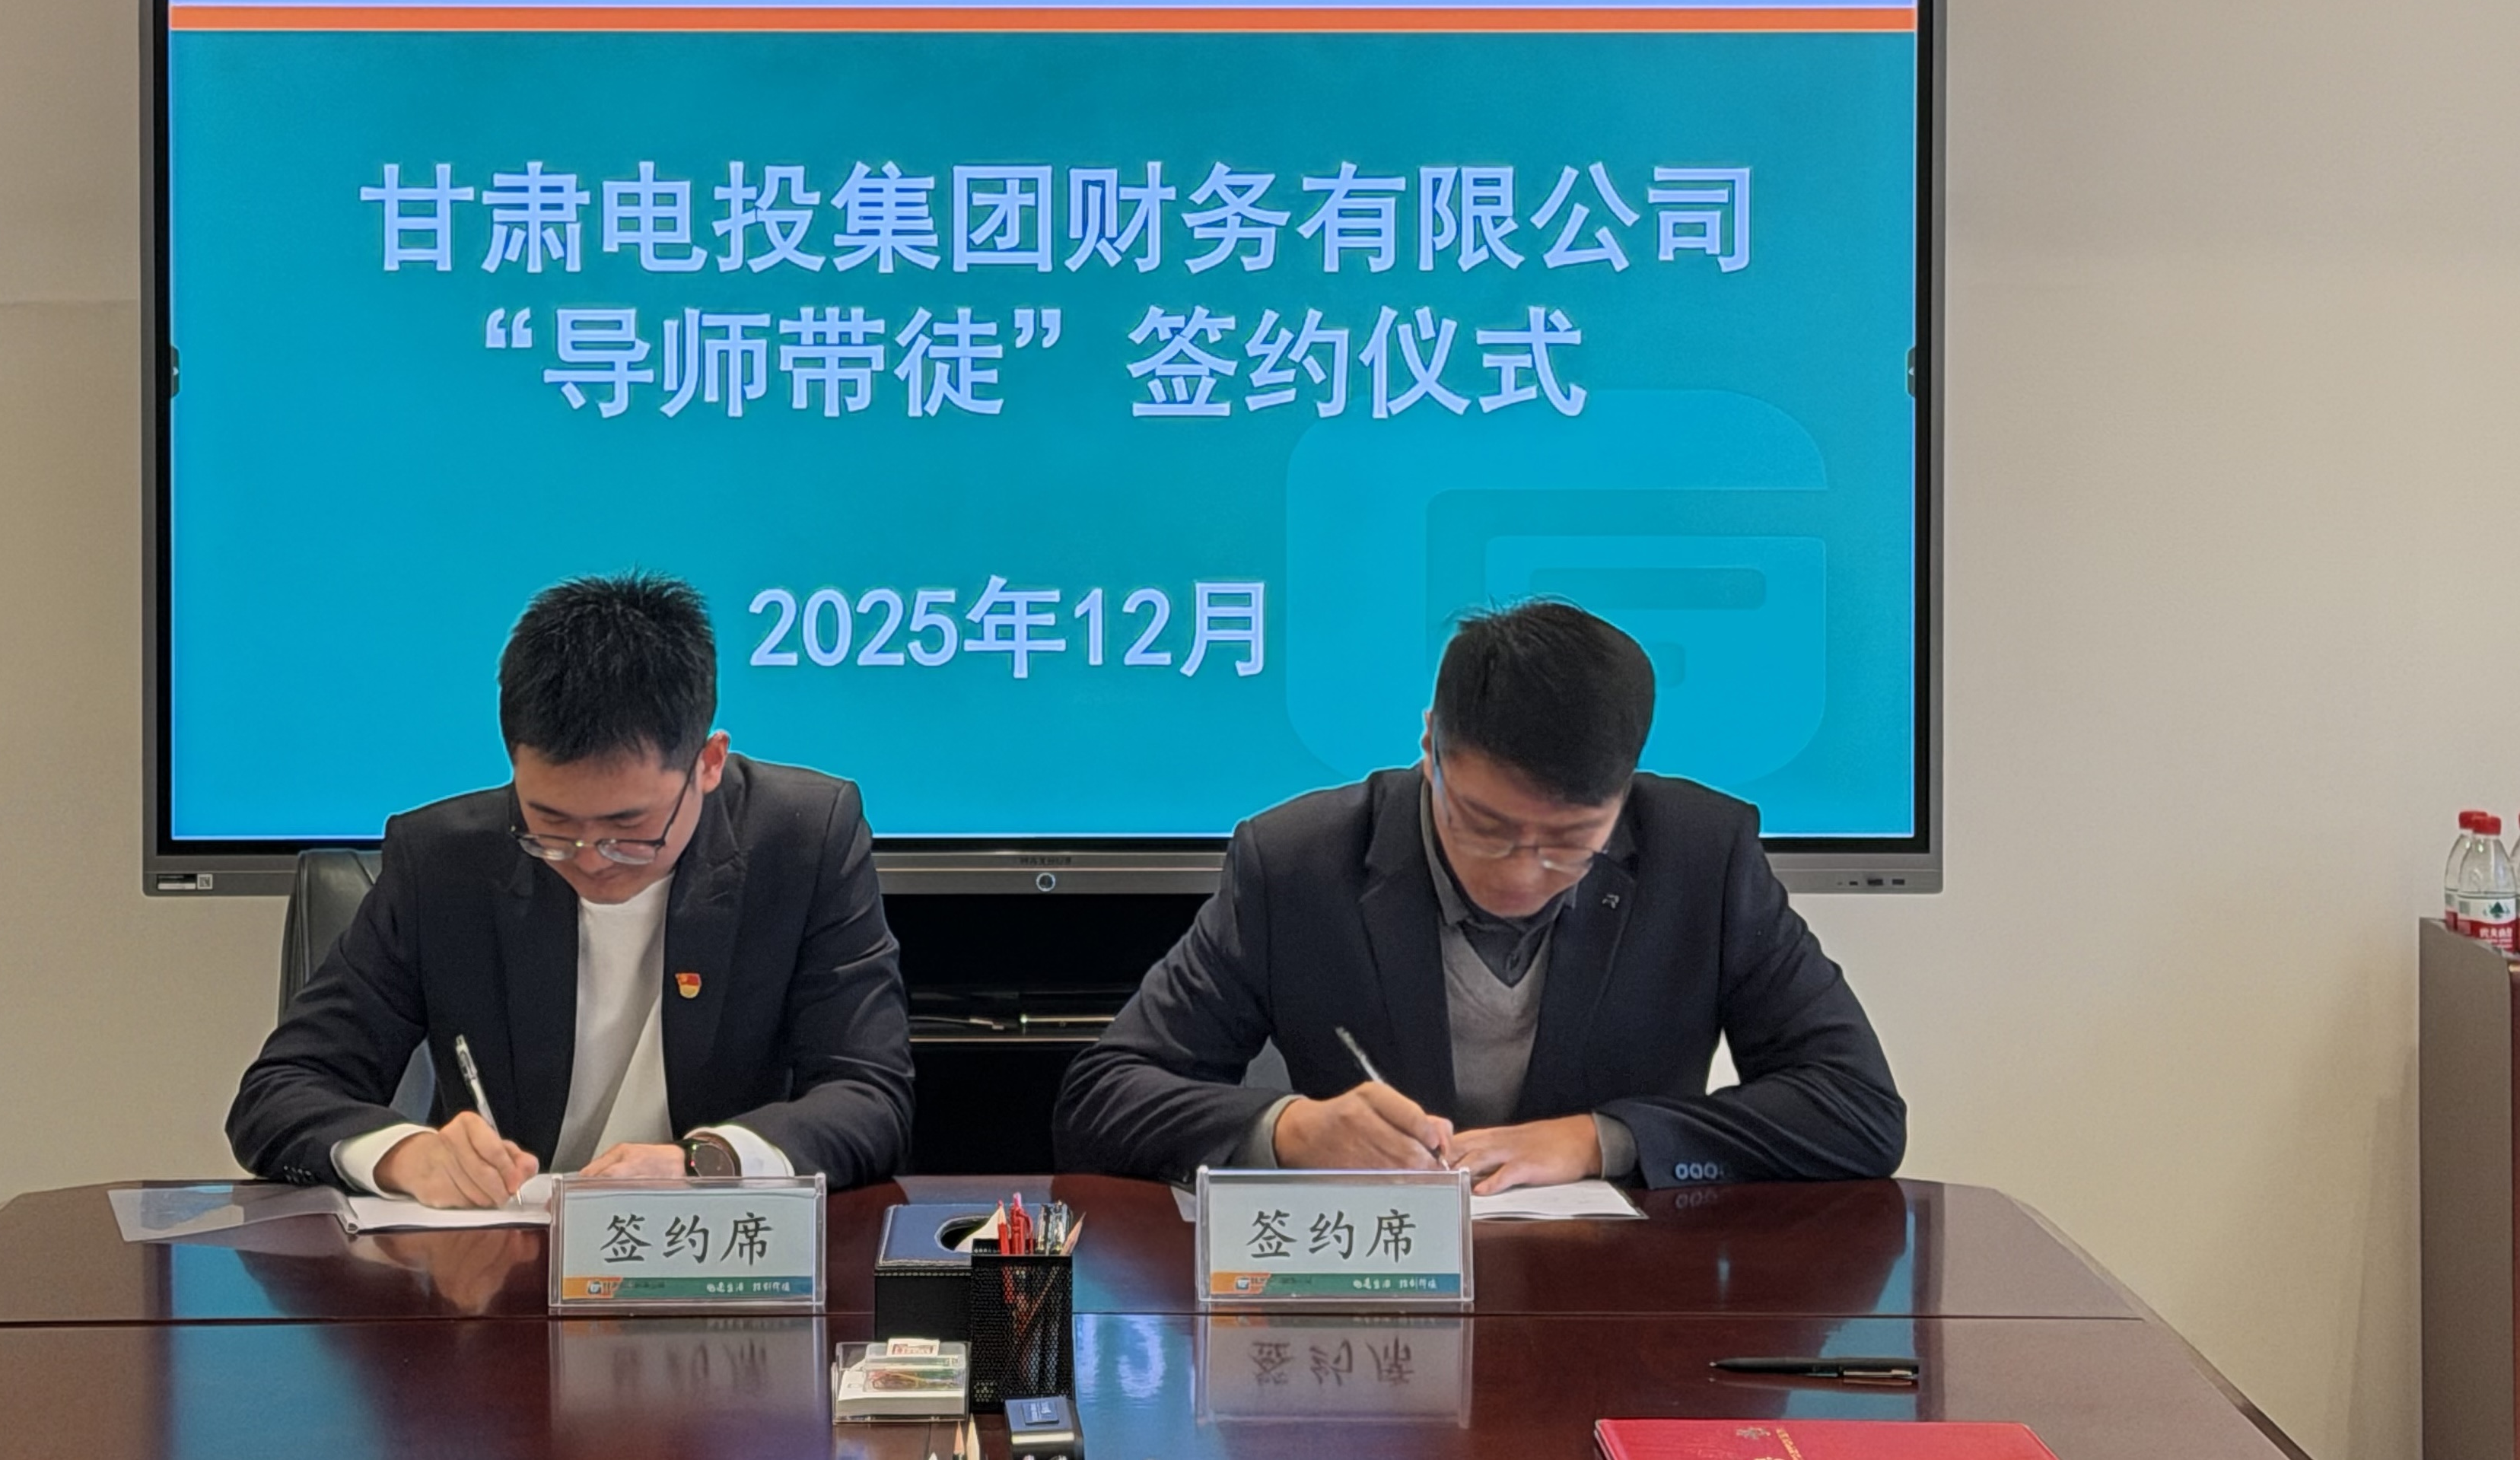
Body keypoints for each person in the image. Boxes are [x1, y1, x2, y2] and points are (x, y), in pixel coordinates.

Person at [1052, 599, 1904, 1190]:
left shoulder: (1701, 856)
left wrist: (1601, 1139)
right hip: (1370, 1308)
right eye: (1485, 826)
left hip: (1621, 1302)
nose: (1521, 873)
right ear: (1430, 746)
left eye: (1570, 842)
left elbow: (1857, 1109)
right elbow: (1102, 1096)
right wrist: (1287, 1129)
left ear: (1622, 792)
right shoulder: (1296, 863)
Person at [229, 572, 912, 1203]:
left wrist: (706, 1162)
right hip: (503, 1258)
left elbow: (868, 1095)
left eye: (628, 829)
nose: (590, 860)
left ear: (707, 763)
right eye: (551, 824)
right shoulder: (443, 861)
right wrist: (403, 1154)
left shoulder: (801, 839)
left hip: (715, 1257)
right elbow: (280, 1091)